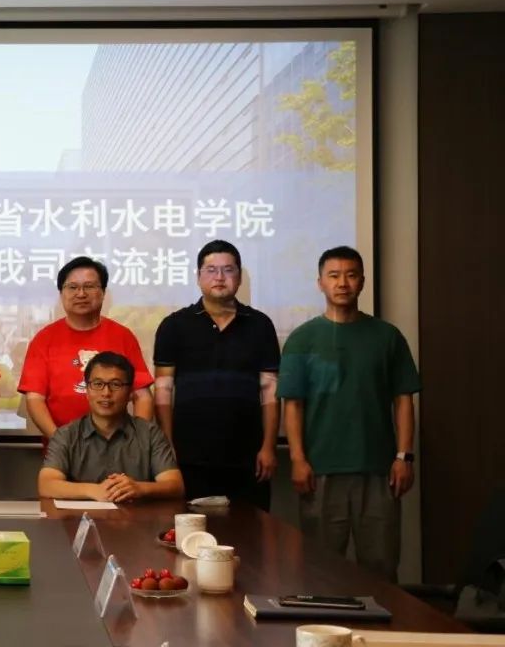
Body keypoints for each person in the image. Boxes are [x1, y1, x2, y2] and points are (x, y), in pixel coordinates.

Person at [279, 246, 420, 582]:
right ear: (320, 283)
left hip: (379, 470)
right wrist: (297, 459)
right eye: (334, 275)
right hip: (320, 471)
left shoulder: (387, 337)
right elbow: (293, 404)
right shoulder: (301, 339)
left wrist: (404, 456)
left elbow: (403, 400)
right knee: (320, 571)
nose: (342, 283)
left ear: (362, 282)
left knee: (381, 568)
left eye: (351, 275)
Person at [152, 240, 280, 510]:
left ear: (239, 277)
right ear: (198, 276)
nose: (219, 277)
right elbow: (163, 392)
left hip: (248, 458)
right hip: (190, 458)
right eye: (211, 270)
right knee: (193, 532)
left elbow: (269, 391)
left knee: (252, 531)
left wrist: (269, 446)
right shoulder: (174, 326)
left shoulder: (260, 325)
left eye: (228, 270)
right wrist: (167, 446)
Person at [18, 256, 154, 442]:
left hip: (118, 446)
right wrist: (60, 441)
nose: (81, 294)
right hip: (62, 445)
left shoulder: (123, 336)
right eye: (72, 287)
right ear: (61, 294)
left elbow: (142, 395)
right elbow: (34, 398)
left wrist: (136, 441)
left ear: (103, 292)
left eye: (89, 286)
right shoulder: (44, 339)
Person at [38, 352, 183, 501]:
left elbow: (175, 485)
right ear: (87, 390)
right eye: (98, 384)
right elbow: (46, 484)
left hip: (136, 515)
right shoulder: (66, 435)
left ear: (130, 393)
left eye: (115, 384)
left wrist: (139, 488)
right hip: (81, 516)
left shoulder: (150, 434)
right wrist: (94, 491)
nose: (106, 393)